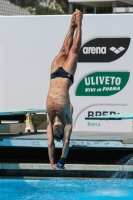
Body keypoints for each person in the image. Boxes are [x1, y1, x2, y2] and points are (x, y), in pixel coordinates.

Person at [46, 9, 83, 170]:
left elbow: (49, 144)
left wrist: (51, 162)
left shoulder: (49, 121)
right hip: (67, 75)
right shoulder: (67, 121)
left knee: (63, 50)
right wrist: (62, 160)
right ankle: (80, 24)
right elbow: (66, 142)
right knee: (74, 51)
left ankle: (71, 25)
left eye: (56, 133)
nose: (55, 130)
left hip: (54, 76)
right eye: (57, 132)